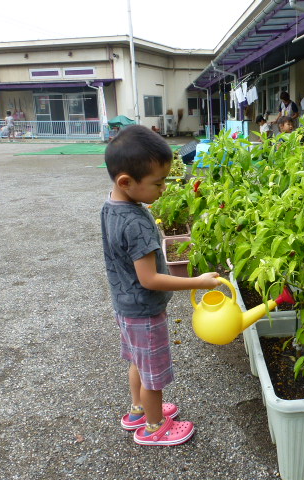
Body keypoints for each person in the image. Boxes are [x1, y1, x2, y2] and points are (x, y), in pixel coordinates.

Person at [101, 125, 221, 446]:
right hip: (144, 311)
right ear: (126, 182)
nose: (164, 188)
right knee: (153, 373)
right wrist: (198, 281)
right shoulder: (137, 223)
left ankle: (138, 410)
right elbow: (150, 278)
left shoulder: (112, 206)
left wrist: (144, 204)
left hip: (125, 306)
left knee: (138, 362)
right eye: (157, 183)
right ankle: (155, 428)